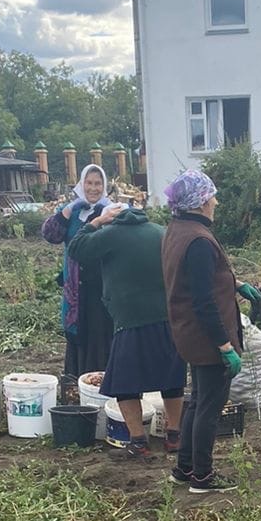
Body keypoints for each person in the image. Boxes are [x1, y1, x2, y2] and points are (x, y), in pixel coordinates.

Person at [160, 169, 256, 495]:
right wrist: (225, 345)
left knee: (197, 401)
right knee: (209, 409)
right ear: (200, 201)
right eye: (212, 195)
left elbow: (199, 279)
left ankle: (184, 468)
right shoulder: (199, 240)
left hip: (187, 333)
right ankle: (203, 476)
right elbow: (203, 300)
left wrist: (236, 284)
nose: (216, 201)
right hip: (205, 337)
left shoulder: (178, 229)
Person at [68, 202, 186, 459]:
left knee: (125, 383)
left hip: (129, 321)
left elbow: (76, 249)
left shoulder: (109, 234)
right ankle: (174, 436)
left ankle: (138, 442)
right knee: (172, 378)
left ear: (113, 218)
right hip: (166, 318)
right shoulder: (160, 232)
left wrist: (97, 222)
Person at [41, 163, 118, 378]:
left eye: (98, 183)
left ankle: (103, 384)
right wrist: (70, 207)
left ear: (104, 186)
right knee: (79, 332)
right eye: (89, 183)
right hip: (76, 287)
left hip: (103, 286)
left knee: (102, 334)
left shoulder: (111, 210)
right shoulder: (73, 212)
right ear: (82, 184)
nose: (93, 188)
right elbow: (50, 234)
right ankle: (77, 384)